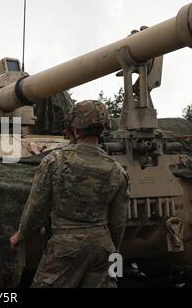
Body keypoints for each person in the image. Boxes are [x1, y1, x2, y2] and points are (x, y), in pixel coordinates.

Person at [10, 100, 130, 288]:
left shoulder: (54, 161)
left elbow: (36, 206)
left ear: (75, 131)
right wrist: (112, 251)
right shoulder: (117, 170)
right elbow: (118, 222)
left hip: (66, 247)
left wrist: (20, 235)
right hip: (103, 247)